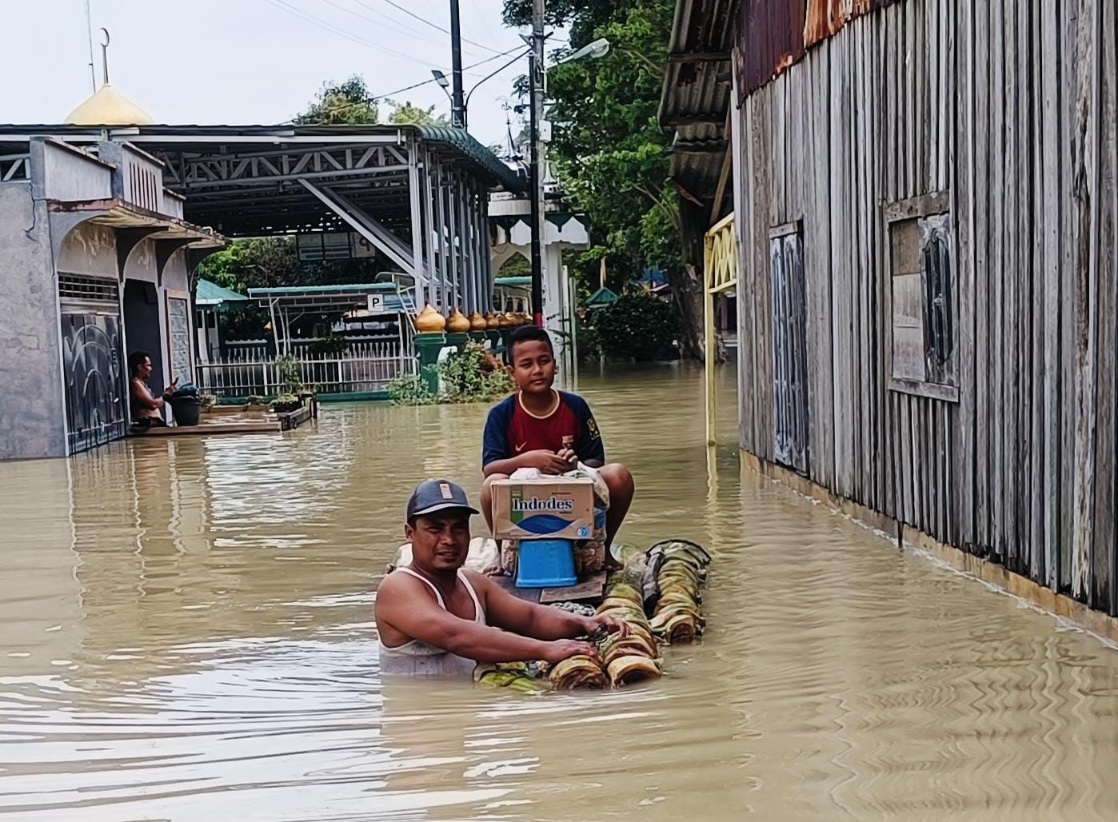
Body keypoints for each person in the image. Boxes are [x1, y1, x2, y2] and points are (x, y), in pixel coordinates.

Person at [375, 480, 628, 677]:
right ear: (410, 533)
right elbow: (457, 636)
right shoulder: (398, 587)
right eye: (435, 529)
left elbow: (531, 617)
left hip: (469, 720)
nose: (449, 540)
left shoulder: (473, 582)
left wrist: (585, 622)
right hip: (421, 727)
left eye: (458, 528)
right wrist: (547, 650)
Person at [480, 326, 635, 557]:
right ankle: (504, 555)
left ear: (555, 364)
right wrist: (527, 461)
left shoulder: (575, 406)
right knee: (491, 484)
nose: (537, 370)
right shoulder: (501, 414)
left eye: (544, 361)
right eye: (527, 364)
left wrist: (575, 465)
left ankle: (605, 549)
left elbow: (596, 459)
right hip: (524, 497)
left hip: (571, 485)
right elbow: (489, 468)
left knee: (619, 475)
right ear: (512, 373)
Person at [128, 351, 176, 429]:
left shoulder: (143, 384)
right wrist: (166, 395)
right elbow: (152, 404)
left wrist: (168, 394)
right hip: (148, 425)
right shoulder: (135, 384)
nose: (151, 369)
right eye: (148, 365)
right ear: (139, 367)